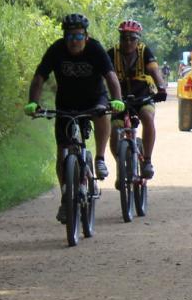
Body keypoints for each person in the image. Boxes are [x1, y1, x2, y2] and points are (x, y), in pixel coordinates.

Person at [24, 13, 124, 221]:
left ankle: (99, 158)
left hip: (94, 98)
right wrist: (33, 102)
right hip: (67, 103)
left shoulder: (95, 49)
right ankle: (65, 198)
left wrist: (117, 99)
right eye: (69, 36)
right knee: (62, 152)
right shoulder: (56, 49)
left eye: (78, 36)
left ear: (86, 36)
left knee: (102, 113)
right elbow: (40, 76)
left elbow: (111, 77)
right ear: (64, 37)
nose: (74, 41)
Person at [112, 19, 167, 180]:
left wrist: (161, 88)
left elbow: (154, 71)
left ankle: (147, 160)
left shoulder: (144, 52)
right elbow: (103, 75)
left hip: (143, 95)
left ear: (138, 39)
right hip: (120, 99)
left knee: (147, 117)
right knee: (114, 130)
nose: (128, 42)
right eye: (124, 38)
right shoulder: (112, 53)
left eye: (132, 38)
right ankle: (121, 166)